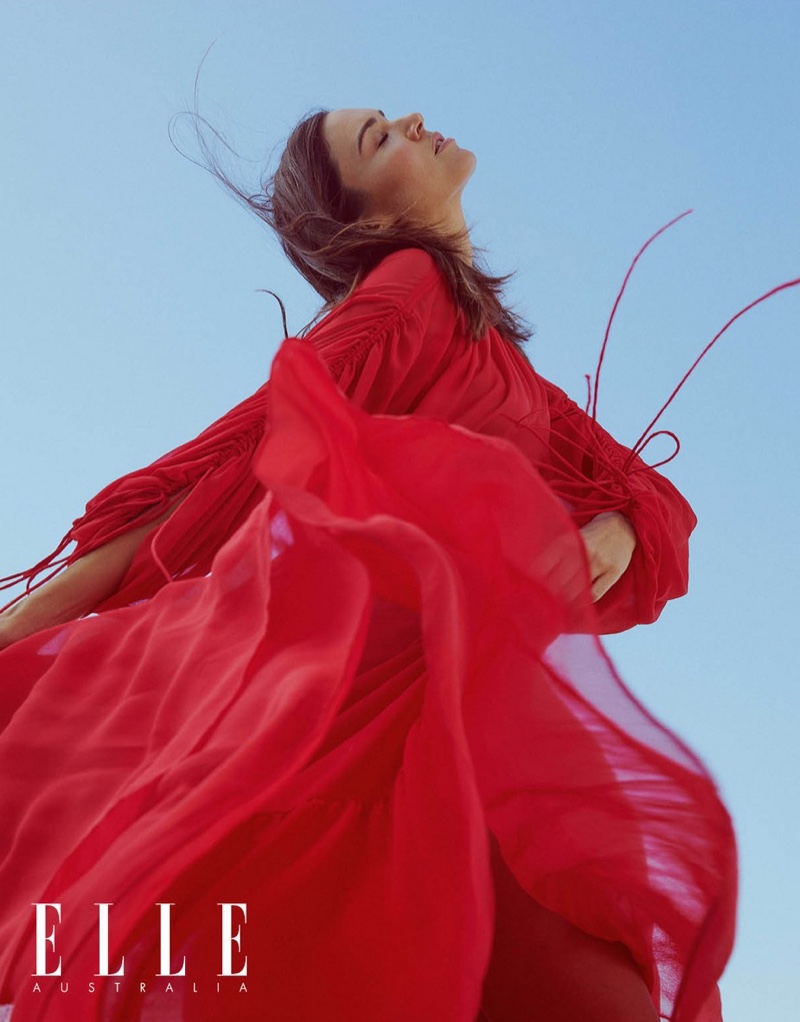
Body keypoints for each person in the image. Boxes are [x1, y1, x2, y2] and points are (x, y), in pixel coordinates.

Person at [0, 108, 737, 1022]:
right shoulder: (408, 283)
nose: (410, 122)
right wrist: (33, 617)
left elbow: (647, 503)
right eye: (377, 140)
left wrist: (618, 527)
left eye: (388, 118)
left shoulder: (487, 347)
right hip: (366, 714)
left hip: (457, 713)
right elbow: (234, 459)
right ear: (367, 226)